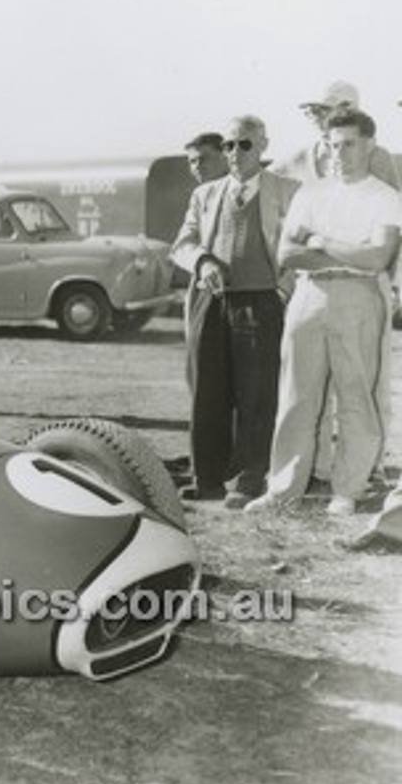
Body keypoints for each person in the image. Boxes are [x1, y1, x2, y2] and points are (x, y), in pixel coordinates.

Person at [246, 109, 402, 516]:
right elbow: (287, 254)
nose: (340, 153)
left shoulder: (385, 198)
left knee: (355, 396)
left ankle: (348, 490)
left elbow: (376, 258)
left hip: (359, 297)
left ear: (369, 145)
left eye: (349, 144)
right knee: (297, 395)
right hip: (308, 296)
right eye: (334, 145)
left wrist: (320, 240)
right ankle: (282, 490)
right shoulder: (310, 194)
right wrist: (339, 249)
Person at [170, 115, 299, 507]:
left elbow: (299, 247)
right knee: (207, 388)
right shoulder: (206, 194)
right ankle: (207, 477)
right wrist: (203, 261)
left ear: (262, 146)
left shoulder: (288, 191)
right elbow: (182, 243)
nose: (234, 153)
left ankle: (249, 478)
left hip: (262, 300)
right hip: (211, 301)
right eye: (227, 145)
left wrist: (281, 290)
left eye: (244, 144)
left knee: (257, 394)